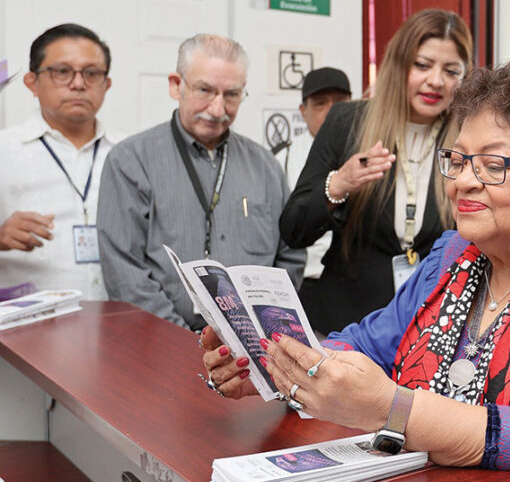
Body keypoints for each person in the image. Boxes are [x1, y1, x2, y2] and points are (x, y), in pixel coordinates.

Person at [200, 62, 510, 482]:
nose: (463, 181)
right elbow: (368, 344)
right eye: (457, 160)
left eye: (493, 165)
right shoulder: (453, 254)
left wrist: (393, 409)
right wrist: (274, 364)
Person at [280, 9, 471, 335]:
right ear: (398, 65)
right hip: (347, 325)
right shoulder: (347, 122)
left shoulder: (469, 135)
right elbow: (294, 229)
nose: (436, 81)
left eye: (451, 70)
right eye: (422, 65)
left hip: (433, 328)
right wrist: (338, 185)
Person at [98, 34, 304, 331]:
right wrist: (185, 342)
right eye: (205, 90)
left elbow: (290, 255)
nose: (218, 109)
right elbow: (124, 272)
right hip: (162, 343)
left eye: (231, 95)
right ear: (175, 85)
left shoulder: (265, 166)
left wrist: (261, 328)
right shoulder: (131, 161)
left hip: (254, 346)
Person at [0, 23, 118, 300]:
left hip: (118, 316)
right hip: (27, 319)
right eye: (62, 72)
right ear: (32, 82)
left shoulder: (129, 153)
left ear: (107, 84)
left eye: (91, 73)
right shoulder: (4, 150)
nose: (78, 84)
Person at [288, 67, 352, 308]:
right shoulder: (282, 158)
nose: (332, 112)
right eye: (320, 104)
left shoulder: (371, 155)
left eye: (340, 102)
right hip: (300, 283)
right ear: (303, 111)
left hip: (351, 287)